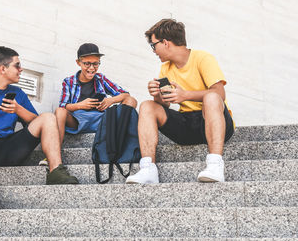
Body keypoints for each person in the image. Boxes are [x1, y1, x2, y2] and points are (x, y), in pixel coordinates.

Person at [0, 46, 79, 210]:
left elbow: (40, 123)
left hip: (8, 150)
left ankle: (56, 171)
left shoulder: (17, 93)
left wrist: (18, 109)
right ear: (3, 69)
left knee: (48, 117)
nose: (21, 69)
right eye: (17, 65)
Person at [126, 19, 234, 184]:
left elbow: (220, 94)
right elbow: (165, 105)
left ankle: (215, 165)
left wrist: (186, 95)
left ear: (166, 43)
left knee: (211, 97)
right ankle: (148, 169)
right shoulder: (166, 68)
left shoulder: (202, 58)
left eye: (154, 45)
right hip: (186, 125)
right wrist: (156, 95)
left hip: (213, 121)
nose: (154, 50)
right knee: (147, 105)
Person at [55, 43, 137, 144]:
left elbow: (125, 94)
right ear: (78, 62)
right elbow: (63, 106)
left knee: (131, 100)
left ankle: (119, 141)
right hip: (78, 121)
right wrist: (80, 105)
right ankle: (55, 151)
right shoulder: (69, 82)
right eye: (87, 63)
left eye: (95, 63)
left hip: (102, 120)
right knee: (59, 111)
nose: (92, 68)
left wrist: (111, 100)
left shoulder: (101, 78)